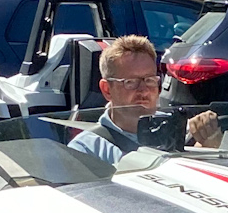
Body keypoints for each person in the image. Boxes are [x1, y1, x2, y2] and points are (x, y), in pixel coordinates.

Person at [68, 35, 163, 165]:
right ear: (107, 89)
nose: (144, 90)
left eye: (150, 80)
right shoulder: (86, 150)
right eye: (130, 82)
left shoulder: (178, 132)